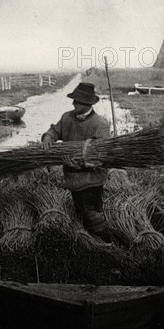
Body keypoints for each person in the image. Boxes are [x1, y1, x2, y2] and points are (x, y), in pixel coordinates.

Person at [40, 82, 113, 242]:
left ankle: (106, 246)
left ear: (88, 103)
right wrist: (48, 136)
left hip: (91, 180)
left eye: (78, 101)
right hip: (72, 180)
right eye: (74, 100)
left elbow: (102, 156)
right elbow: (55, 130)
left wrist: (79, 164)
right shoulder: (67, 117)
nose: (74, 103)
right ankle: (89, 245)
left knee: (93, 216)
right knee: (79, 212)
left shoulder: (99, 124)